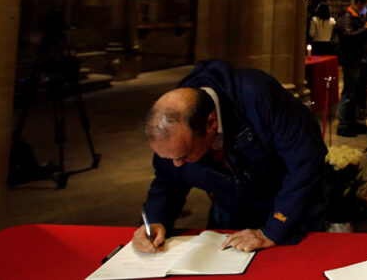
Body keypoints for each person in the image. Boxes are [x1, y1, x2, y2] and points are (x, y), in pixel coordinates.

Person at [133, 60, 326, 253]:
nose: (177, 164)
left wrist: (272, 230)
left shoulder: (257, 94)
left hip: (290, 206)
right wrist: (156, 219)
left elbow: (306, 162)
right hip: (232, 209)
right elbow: (168, 178)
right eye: (170, 157)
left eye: (183, 156)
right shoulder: (174, 128)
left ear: (211, 122)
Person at [334, 0, 367, 136]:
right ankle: (344, 124)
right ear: (360, 3)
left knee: (355, 92)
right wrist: (365, 30)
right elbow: (347, 36)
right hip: (351, 60)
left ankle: (351, 122)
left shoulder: (359, 17)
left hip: (358, 59)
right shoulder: (347, 16)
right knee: (349, 92)